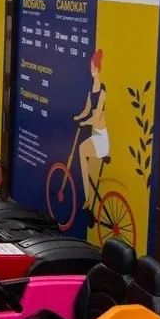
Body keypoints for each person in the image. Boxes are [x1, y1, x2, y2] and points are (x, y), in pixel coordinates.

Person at [72, 50, 108, 212]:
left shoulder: (102, 90)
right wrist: (78, 117)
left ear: (99, 69)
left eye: (95, 68)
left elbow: (97, 115)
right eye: (91, 68)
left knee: (81, 151)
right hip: (94, 136)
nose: (92, 71)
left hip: (101, 138)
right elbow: (87, 110)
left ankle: (88, 199)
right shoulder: (91, 89)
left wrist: (85, 122)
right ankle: (89, 200)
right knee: (83, 155)